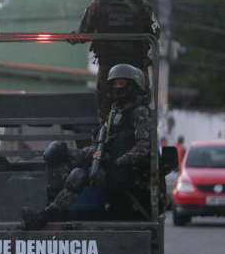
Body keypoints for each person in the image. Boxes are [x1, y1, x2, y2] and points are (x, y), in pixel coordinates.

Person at [23, 64, 151, 229]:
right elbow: (105, 140)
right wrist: (98, 146)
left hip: (124, 173)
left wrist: (119, 161)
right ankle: (55, 203)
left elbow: (144, 146)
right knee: (55, 151)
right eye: (115, 83)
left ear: (134, 85)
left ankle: (46, 216)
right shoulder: (115, 111)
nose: (117, 88)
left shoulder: (140, 112)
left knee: (78, 175)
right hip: (105, 158)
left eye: (121, 83)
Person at [73, 0, 160, 120]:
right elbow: (156, 32)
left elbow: (83, 32)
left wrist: (73, 37)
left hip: (108, 68)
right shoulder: (143, 6)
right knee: (141, 110)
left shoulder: (98, 4)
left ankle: (103, 138)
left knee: (104, 113)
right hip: (137, 69)